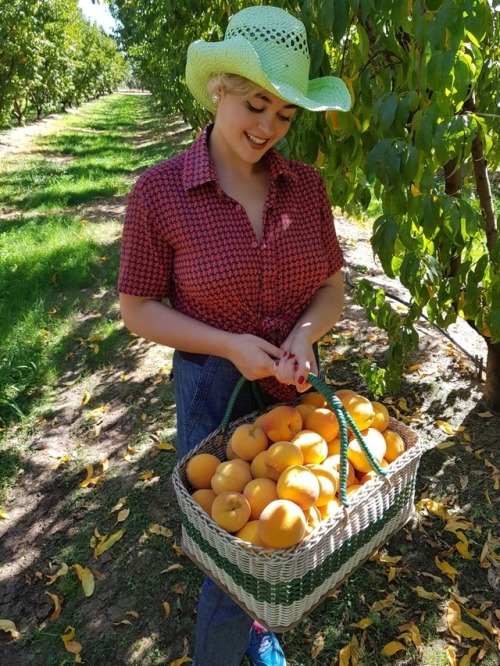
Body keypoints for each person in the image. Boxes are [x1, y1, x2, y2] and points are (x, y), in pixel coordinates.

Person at [118, 5, 350, 665]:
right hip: (211, 387)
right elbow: (136, 308)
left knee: (280, 529)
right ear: (218, 86)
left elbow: (332, 287)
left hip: (294, 382)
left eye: (285, 114)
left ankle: (259, 628)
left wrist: (305, 334)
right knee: (228, 558)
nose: (269, 127)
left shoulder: (307, 188)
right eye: (255, 104)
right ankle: (224, 651)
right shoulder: (159, 192)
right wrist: (227, 344)